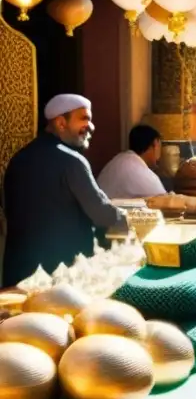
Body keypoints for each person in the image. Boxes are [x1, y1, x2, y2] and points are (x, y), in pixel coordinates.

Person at [3, 95, 125, 286]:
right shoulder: (72, 161)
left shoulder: (18, 159)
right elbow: (103, 215)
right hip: (59, 279)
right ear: (61, 123)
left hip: (18, 275)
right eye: (84, 119)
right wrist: (131, 218)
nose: (91, 126)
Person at [97, 124, 167, 200]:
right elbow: (164, 200)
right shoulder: (137, 169)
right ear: (154, 143)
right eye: (159, 147)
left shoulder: (120, 160)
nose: (160, 153)